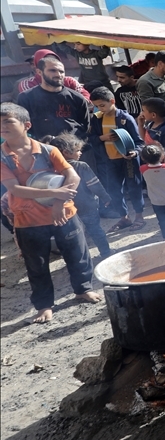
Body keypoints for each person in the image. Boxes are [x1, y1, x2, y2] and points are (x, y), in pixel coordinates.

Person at [0, 103, 101, 323]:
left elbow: (72, 176)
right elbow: (15, 189)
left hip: (63, 212)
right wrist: (56, 191)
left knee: (78, 254)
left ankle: (83, 289)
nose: (2, 126)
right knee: (36, 264)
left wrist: (57, 204)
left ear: (26, 125)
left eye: (8, 121)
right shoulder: (2, 157)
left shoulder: (49, 150)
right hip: (28, 218)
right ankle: (44, 305)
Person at [42, 132, 112, 259]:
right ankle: (106, 252)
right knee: (95, 230)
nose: (80, 153)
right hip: (87, 206)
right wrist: (105, 197)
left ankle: (78, 259)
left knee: (73, 235)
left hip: (66, 210)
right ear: (65, 152)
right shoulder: (81, 166)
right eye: (77, 150)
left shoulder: (50, 169)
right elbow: (94, 184)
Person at [90, 87, 146, 233]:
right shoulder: (97, 119)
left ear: (112, 101)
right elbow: (91, 139)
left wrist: (134, 152)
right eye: (97, 106)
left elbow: (139, 142)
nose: (99, 109)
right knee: (114, 190)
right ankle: (124, 217)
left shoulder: (125, 119)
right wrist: (103, 138)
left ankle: (139, 217)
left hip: (128, 160)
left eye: (102, 105)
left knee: (134, 187)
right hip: (109, 160)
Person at [16, 54, 92, 145]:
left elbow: (85, 126)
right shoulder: (26, 97)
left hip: (74, 149)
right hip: (44, 149)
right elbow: (22, 126)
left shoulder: (77, 98)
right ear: (39, 72)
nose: (58, 75)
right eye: (52, 70)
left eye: (61, 71)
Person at [16, 49, 90, 100]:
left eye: (54, 60)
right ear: (39, 70)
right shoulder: (27, 84)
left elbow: (86, 99)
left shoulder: (69, 81)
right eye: (52, 70)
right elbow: (39, 104)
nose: (58, 75)